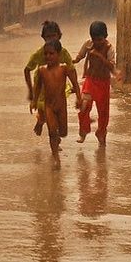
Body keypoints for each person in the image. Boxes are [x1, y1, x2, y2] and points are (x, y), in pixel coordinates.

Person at [31, 40, 81, 168]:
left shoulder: (64, 69)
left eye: (51, 53)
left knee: (63, 132)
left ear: (58, 54)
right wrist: (34, 101)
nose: (48, 56)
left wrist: (79, 98)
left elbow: (75, 83)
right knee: (52, 131)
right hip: (49, 106)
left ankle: (57, 139)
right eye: (46, 54)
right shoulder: (42, 71)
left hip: (61, 106)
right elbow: (37, 87)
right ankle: (55, 157)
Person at [24, 21, 74, 136]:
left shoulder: (63, 53)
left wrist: (75, 87)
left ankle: (55, 137)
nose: (51, 39)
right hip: (42, 88)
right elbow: (27, 69)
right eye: (48, 37)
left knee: (55, 112)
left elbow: (71, 70)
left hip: (58, 87)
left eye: (53, 36)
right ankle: (42, 122)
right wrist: (31, 91)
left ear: (59, 36)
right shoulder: (39, 53)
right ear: (43, 38)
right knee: (44, 111)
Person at [72, 21, 116, 146]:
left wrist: (100, 57)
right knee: (83, 106)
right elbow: (80, 55)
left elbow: (112, 66)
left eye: (100, 39)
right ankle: (84, 130)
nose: (97, 42)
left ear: (105, 36)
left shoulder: (109, 48)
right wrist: (74, 61)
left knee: (103, 112)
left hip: (103, 83)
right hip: (90, 81)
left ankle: (101, 133)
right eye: (94, 39)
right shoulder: (89, 44)